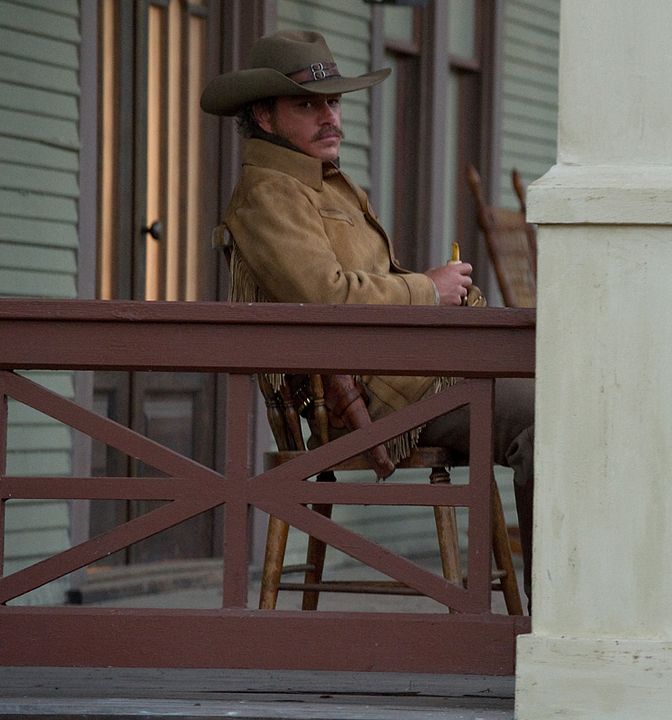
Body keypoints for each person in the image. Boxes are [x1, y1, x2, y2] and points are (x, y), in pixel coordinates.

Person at [200, 30, 533, 601]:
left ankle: (578, 608)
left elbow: (364, 286)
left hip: (410, 374)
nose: (330, 117)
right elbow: (326, 293)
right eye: (308, 104)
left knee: (572, 398)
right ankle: (559, 622)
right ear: (264, 114)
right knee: (546, 421)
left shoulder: (326, 184)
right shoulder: (269, 193)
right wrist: (426, 289)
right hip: (371, 399)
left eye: (333, 101)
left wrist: (436, 293)